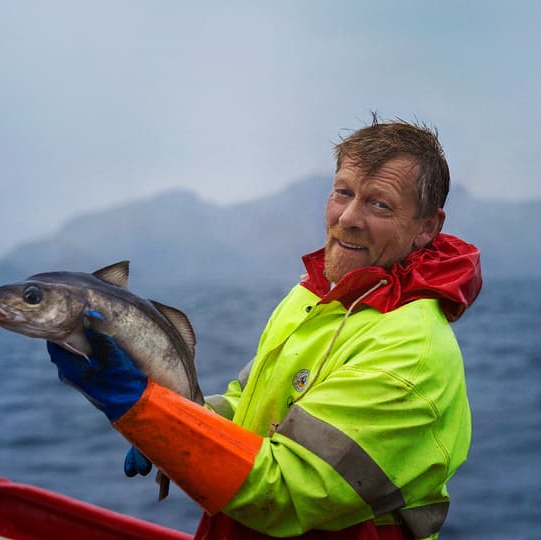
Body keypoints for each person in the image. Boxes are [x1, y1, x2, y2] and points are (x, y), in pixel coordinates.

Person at [47, 117, 482, 540]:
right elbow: (251, 405)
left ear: (427, 228)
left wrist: (141, 407)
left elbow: (284, 494)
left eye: (379, 204)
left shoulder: (409, 350)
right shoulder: (315, 296)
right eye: (342, 193)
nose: (347, 217)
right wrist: (171, 425)